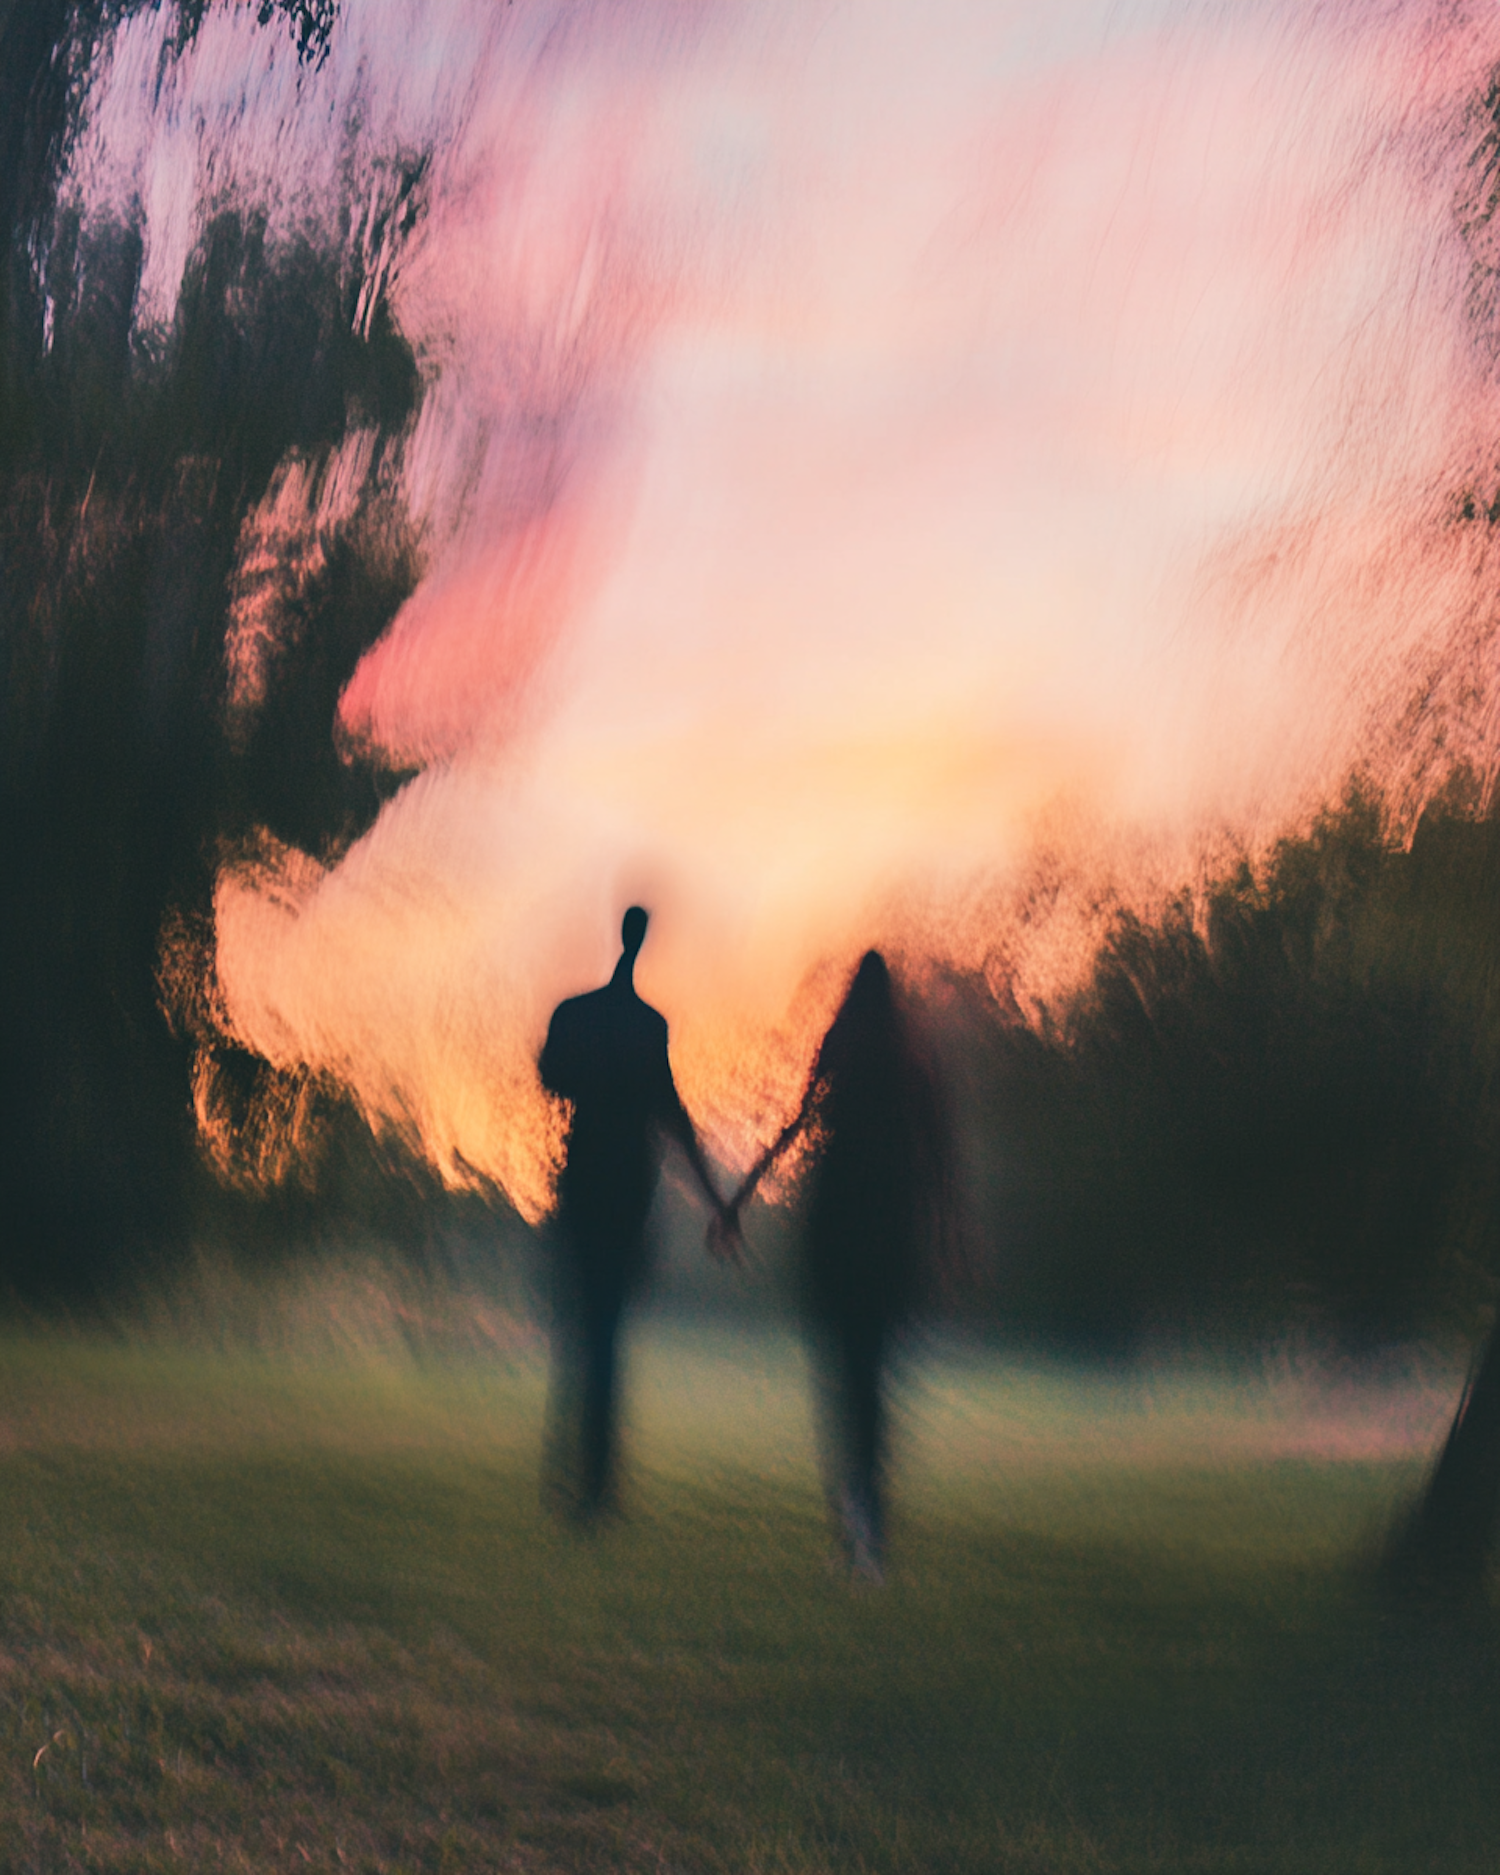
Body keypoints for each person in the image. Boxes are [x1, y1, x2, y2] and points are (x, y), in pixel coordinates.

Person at [714, 950, 946, 1581]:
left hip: (838, 1231)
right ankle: (870, 1516)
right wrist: (954, 1236)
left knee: (844, 1380)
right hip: (892, 1235)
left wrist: (736, 1202)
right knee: (873, 1380)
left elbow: (796, 1123)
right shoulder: (913, 1059)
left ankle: (855, 1514)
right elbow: (939, 1155)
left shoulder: (841, 1045)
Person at [539, 905, 737, 1519]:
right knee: (605, 1334)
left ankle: (575, 1473)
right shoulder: (648, 1026)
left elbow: (549, 1076)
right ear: (643, 939)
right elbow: (672, 1116)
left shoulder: (576, 1014)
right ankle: (594, 1483)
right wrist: (718, 1202)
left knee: (584, 1332)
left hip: (583, 1188)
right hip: (627, 1192)